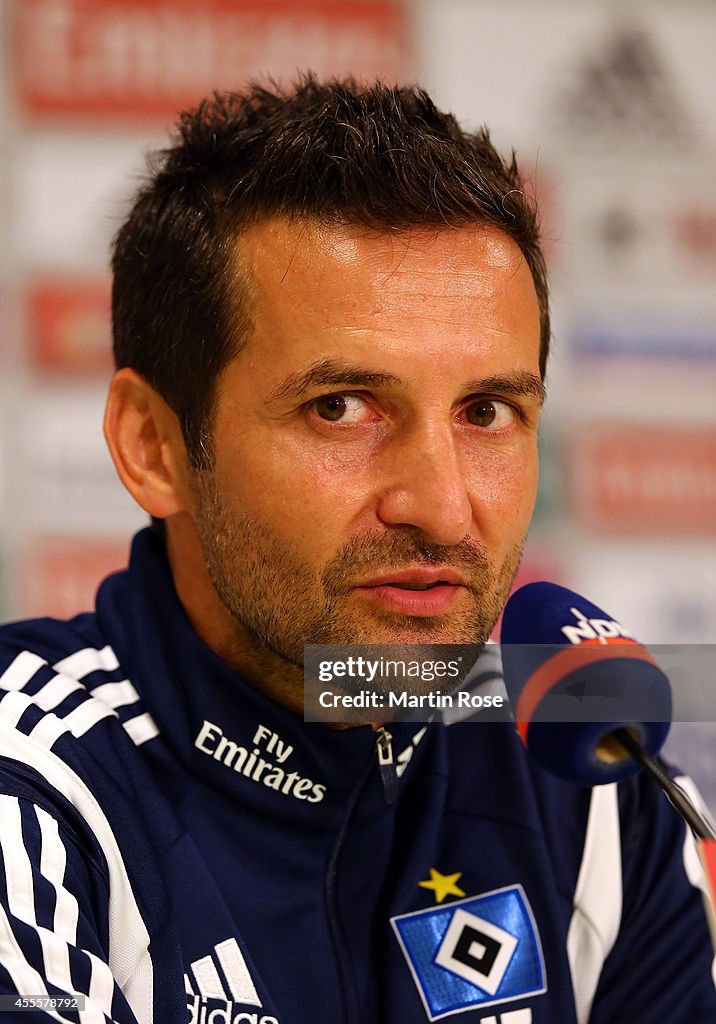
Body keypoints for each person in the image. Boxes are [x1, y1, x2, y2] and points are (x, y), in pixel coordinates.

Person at [0, 75, 713, 1024]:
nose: (443, 508)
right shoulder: (33, 793)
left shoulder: (584, 784)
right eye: (341, 408)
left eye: (487, 412)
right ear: (153, 445)